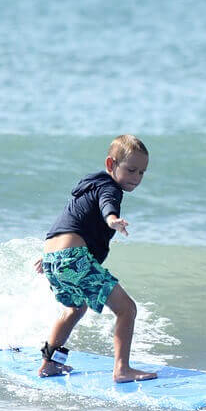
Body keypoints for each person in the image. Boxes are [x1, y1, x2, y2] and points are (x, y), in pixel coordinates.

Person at [33, 134, 158, 383]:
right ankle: (122, 369)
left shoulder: (87, 187)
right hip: (72, 259)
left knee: (74, 309)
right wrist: (112, 219)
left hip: (54, 257)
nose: (136, 178)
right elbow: (107, 205)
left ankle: (48, 365)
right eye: (131, 170)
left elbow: (69, 220)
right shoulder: (109, 188)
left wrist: (49, 257)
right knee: (127, 309)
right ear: (111, 164)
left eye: (142, 173)